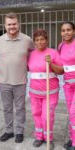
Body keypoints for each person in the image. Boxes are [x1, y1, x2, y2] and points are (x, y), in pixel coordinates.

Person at [0, 12, 34, 143]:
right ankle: (9, 131)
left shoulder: (27, 40)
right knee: (7, 108)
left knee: (20, 108)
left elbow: (35, 52)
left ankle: (19, 131)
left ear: (18, 24)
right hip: (4, 81)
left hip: (20, 81)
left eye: (14, 24)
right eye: (9, 24)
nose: (12, 26)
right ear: (5, 26)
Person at [28, 29, 64, 149]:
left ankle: (49, 138)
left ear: (47, 40)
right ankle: (39, 136)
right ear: (34, 42)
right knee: (36, 114)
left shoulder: (53, 53)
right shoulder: (32, 54)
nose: (40, 42)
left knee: (47, 116)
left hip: (50, 92)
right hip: (34, 92)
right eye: (37, 40)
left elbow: (61, 71)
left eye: (42, 39)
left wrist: (51, 64)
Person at [59, 22, 75, 150]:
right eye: (63, 30)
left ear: (74, 31)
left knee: (74, 112)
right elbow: (60, 66)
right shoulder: (61, 46)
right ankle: (72, 138)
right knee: (71, 113)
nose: (66, 33)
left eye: (69, 30)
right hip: (68, 85)